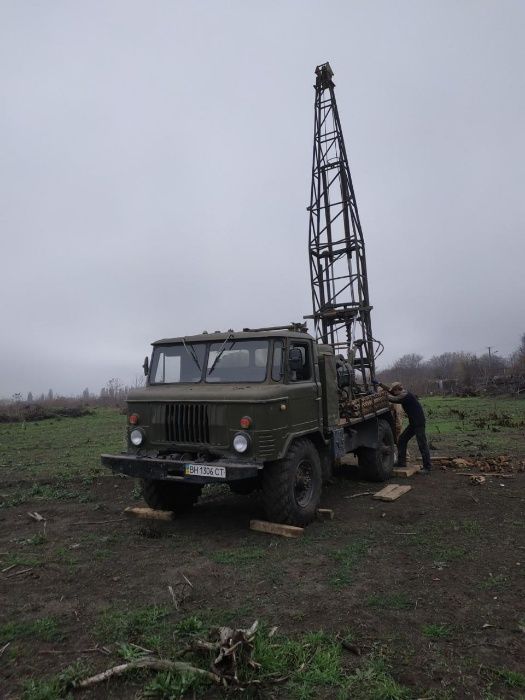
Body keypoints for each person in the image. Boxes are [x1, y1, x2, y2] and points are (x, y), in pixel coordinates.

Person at [373, 380, 432, 473]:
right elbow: (390, 391)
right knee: (402, 440)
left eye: (394, 391)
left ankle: (427, 467)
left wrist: (377, 395)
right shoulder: (402, 393)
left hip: (419, 423)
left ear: (397, 389)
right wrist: (380, 384)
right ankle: (401, 462)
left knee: (422, 444)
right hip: (413, 423)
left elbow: (393, 399)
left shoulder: (405, 396)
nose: (392, 392)